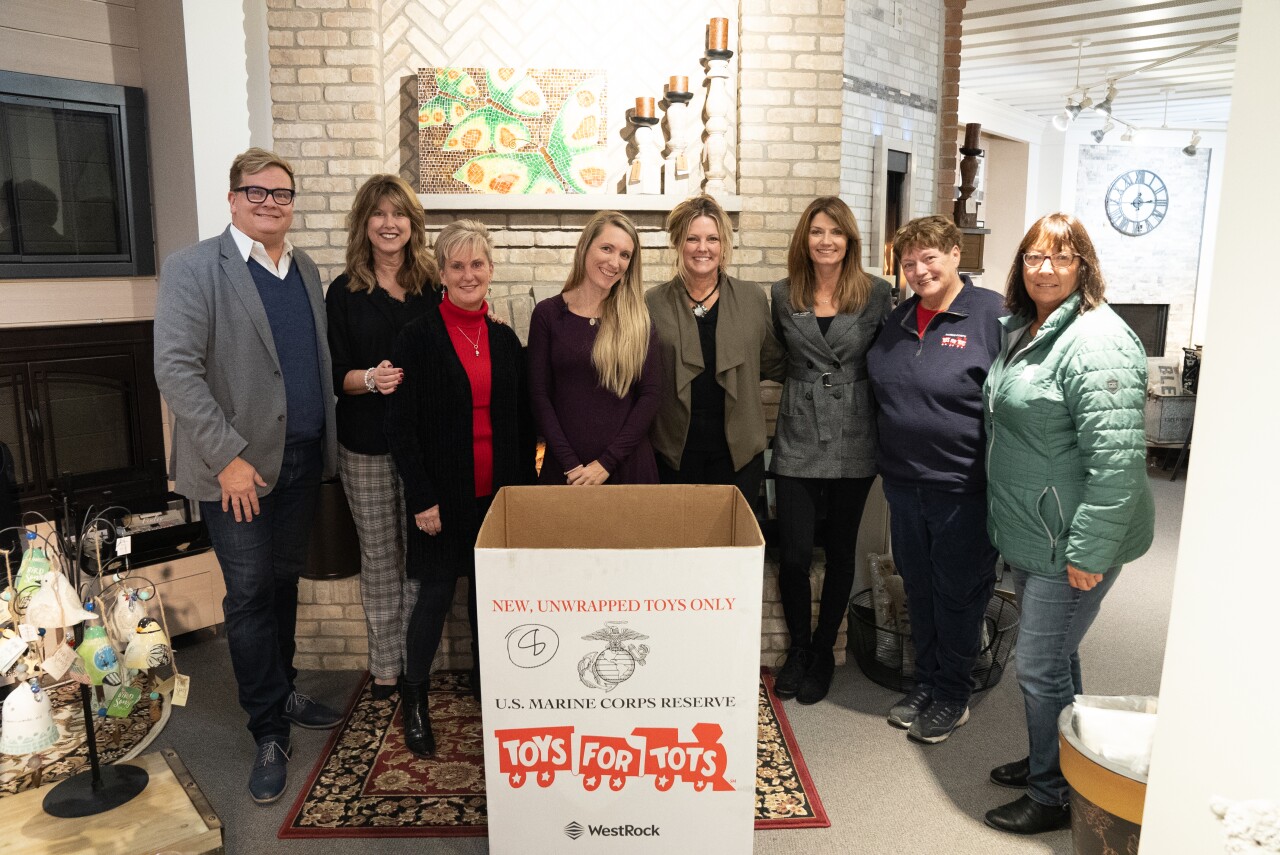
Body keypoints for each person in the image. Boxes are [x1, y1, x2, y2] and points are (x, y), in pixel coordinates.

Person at [153, 148, 341, 804]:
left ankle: (282, 689)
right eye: (256, 192)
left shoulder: (305, 267)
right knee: (251, 593)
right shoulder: (194, 267)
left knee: (284, 581)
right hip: (236, 469)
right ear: (233, 198)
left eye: (281, 193)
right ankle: (266, 726)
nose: (269, 202)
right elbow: (176, 368)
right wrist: (228, 458)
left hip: (300, 458)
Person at [982, 213, 1154, 835]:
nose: (1044, 268)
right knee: (1057, 658)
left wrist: (1089, 550)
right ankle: (1057, 760)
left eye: (1060, 257)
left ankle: (1052, 793)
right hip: (1037, 531)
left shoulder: (1095, 341)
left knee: (1037, 664)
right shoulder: (1032, 330)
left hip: (1072, 541)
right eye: (1033, 256)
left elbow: (1118, 466)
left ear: (1084, 266)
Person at [384, 219, 535, 757]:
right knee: (435, 595)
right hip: (441, 500)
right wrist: (421, 497)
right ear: (441, 272)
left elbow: (520, 423)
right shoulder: (417, 337)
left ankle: (488, 685)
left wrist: (522, 497)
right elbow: (401, 427)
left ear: (490, 271)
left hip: (496, 495)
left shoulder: (503, 337)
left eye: (477, 264)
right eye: (457, 265)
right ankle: (416, 698)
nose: (468, 274)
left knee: (486, 596)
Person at [866, 215, 1004, 744]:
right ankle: (926, 681)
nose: (919, 270)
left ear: (954, 254)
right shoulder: (899, 319)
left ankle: (953, 693)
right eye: (908, 263)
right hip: (903, 485)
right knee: (919, 589)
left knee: (959, 594)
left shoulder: (991, 314)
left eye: (929, 258)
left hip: (963, 489)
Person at [770, 196, 892, 705]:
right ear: (805, 238)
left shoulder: (877, 293)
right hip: (799, 426)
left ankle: (823, 650)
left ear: (850, 240)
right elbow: (776, 356)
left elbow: (890, 360)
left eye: (835, 232)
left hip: (854, 430)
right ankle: (799, 647)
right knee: (795, 552)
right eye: (817, 231)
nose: (826, 241)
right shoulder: (782, 293)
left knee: (841, 549)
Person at [325, 175, 439, 702]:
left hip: (423, 444)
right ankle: (385, 668)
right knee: (380, 559)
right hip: (366, 444)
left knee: (422, 555)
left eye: (399, 214)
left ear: (413, 223)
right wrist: (370, 379)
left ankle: (418, 661)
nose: (390, 224)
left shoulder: (433, 285)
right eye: (379, 214)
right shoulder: (344, 292)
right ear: (364, 224)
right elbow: (334, 375)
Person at [646, 194, 784, 505]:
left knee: (732, 546)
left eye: (712, 238)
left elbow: (772, 361)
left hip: (737, 454)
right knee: (679, 545)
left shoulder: (752, 298)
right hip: (674, 452)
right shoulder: (653, 302)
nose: (702, 248)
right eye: (692, 238)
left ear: (723, 245)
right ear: (678, 243)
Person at [528, 210, 660, 485]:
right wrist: (571, 465)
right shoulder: (548, 314)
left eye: (625, 255)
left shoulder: (639, 319)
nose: (615, 262)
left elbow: (650, 396)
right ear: (585, 247)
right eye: (607, 248)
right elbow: (539, 395)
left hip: (628, 469)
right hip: (567, 473)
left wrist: (606, 464)